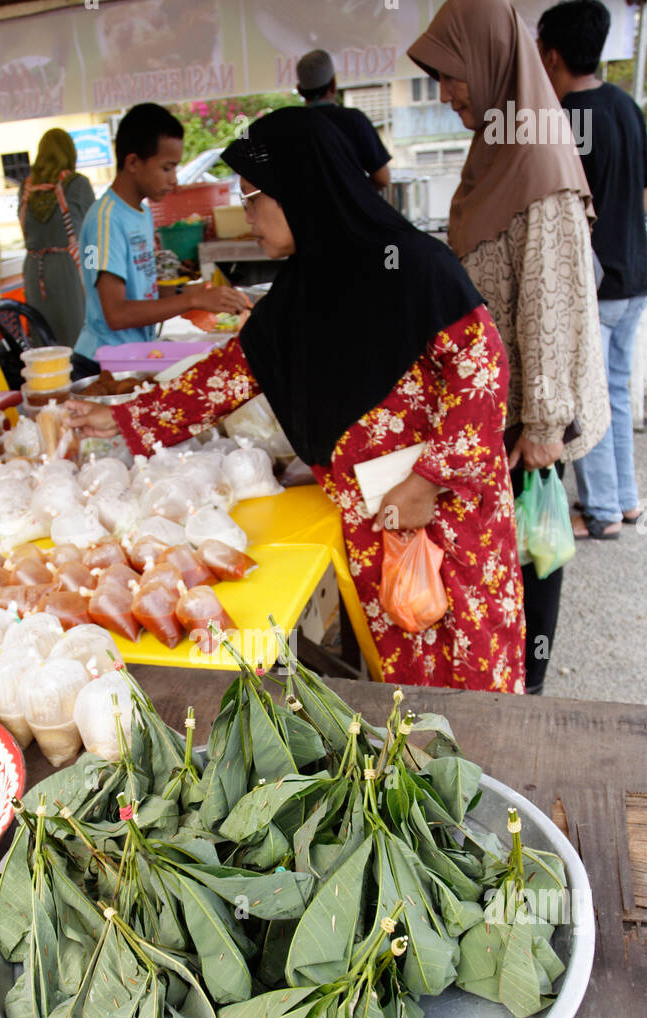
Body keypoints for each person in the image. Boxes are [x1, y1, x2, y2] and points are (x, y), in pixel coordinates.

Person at [64, 107, 525, 693]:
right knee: (409, 675)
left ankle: (493, 781)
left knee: (473, 668)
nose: (246, 213)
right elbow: (223, 377)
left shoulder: (415, 267)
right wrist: (120, 418)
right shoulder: (299, 294)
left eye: (254, 197)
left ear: (302, 190)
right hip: (373, 520)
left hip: (451, 517)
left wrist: (430, 480)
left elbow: (481, 375)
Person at [408, 0, 610, 694]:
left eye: (452, 75)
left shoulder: (537, 158)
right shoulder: (498, 145)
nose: (445, 93)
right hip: (503, 414)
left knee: (530, 566)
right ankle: (511, 688)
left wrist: (548, 425)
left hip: (529, 426)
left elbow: (554, 295)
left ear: (491, 62)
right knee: (509, 571)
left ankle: (527, 703)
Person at [537, 0, 647, 540]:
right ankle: (625, 502)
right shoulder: (625, 105)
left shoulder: (566, 120)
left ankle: (603, 513)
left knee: (587, 400)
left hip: (596, 284)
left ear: (555, 55)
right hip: (636, 277)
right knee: (612, 390)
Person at [71, 103, 249, 377]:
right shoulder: (105, 220)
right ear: (132, 163)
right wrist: (191, 301)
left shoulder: (140, 213)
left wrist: (199, 295)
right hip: (103, 365)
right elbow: (116, 314)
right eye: (167, 168)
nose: (174, 180)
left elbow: (148, 294)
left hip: (135, 356)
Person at [19, 129, 96, 348]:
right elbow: (95, 232)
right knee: (77, 335)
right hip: (68, 267)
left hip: (35, 269)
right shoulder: (77, 184)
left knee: (44, 339)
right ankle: (80, 380)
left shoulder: (25, 188)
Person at [296, 49, 392, 190]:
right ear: (334, 84)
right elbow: (382, 179)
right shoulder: (354, 120)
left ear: (299, 90)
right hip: (351, 211)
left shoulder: (292, 126)